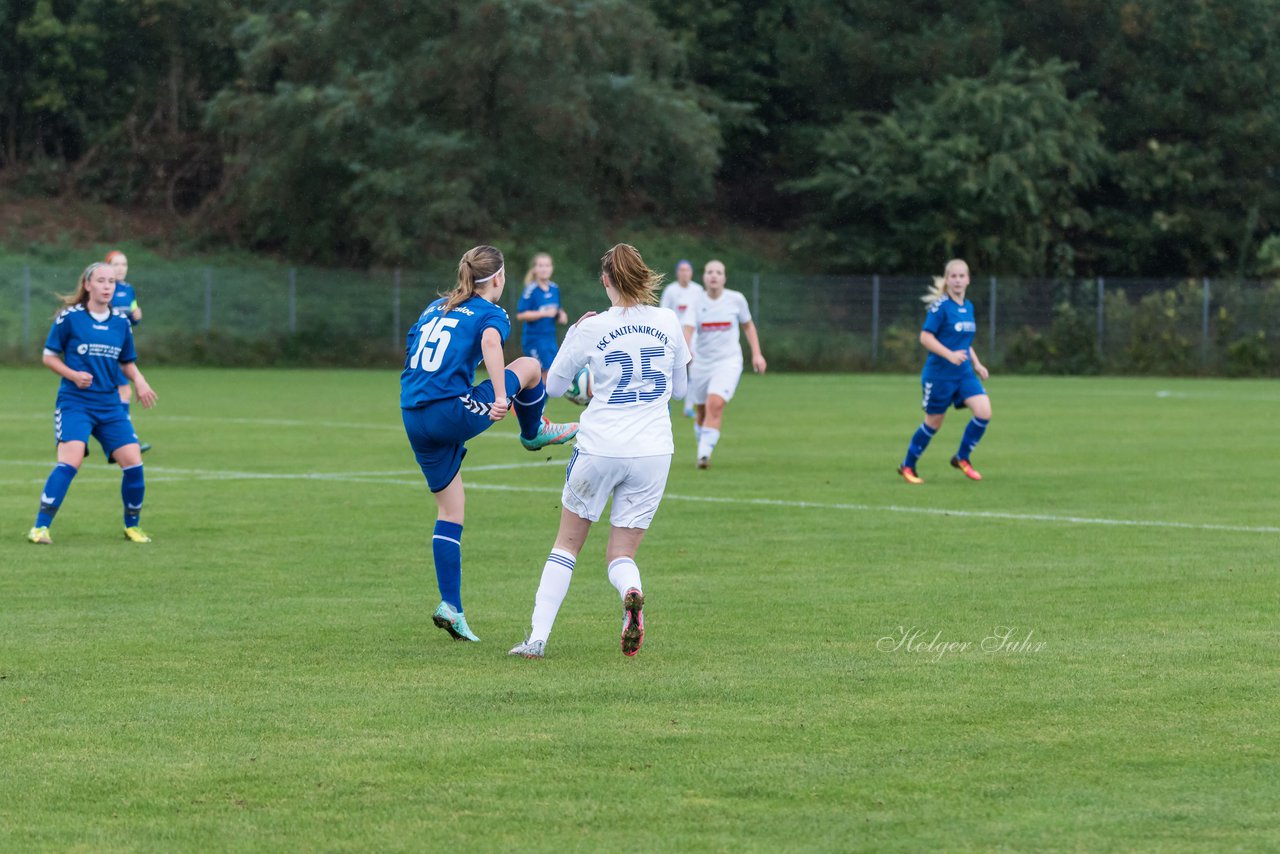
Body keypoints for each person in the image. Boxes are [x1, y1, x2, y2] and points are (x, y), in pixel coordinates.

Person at [509, 243, 691, 659]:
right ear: (644, 275)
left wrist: (574, 336)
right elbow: (680, 391)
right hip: (654, 452)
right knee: (621, 553)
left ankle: (537, 639)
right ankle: (631, 591)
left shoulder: (593, 327)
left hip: (601, 446)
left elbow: (553, 387)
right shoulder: (667, 319)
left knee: (566, 545)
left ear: (606, 280)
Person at [401, 245, 579, 643]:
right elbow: (491, 345)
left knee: (451, 509)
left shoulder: (435, 306)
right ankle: (533, 433)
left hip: (413, 413)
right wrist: (501, 395)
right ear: (497, 278)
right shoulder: (490, 313)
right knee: (531, 367)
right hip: (448, 410)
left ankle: (452, 607)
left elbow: (413, 350)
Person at [27, 262, 158, 545]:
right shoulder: (70, 318)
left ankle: (132, 526)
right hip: (75, 403)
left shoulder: (121, 322)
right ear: (88, 285)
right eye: (101, 280)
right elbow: (49, 357)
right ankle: (40, 528)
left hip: (110, 404)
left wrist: (140, 381)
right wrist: (73, 375)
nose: (108, 286)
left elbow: (126, 361)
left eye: (111, 281)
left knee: (134, 462)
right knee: (70, 461)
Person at [897, 258, 992, 484]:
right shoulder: (940, 307)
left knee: (984, 411)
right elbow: (925, 337)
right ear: (947, 280)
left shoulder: (968, 307)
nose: (958, 280)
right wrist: (949, 355)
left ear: (968, 280)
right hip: (939, 376)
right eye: (954, 276)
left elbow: (964, 341)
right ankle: (908, 466)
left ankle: (962, 458)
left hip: (964, 374)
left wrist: (976, 364)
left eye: (962, 276)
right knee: (934, 422)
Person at [686, 259, 766, 469]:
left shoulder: (736, 299)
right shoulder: (696, 301)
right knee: (701, 411)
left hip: (728, 361)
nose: (714, 275)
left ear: (724, 278)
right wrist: (686, 352)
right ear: (703, 277)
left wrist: (757, 354)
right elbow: (687, 329)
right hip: (701, 363)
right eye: (710, 272)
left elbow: (748, 326)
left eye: (718, 272)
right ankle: (703, 445)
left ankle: (703, 456)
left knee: (715, 404)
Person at [105, 250, 151, 455]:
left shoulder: (128, 289)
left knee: (112, 394)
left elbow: (132, 317)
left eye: (124, 264)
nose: (120, 268)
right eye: (116, 264)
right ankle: (126, 439)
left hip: (123, 349)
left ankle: (79, 433)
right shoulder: (105, 289)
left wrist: (136, 317)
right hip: (108, 349)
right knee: (123, 392)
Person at [659, 259, 703, 417]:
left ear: (691, 272)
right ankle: (663, 402)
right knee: (670, 369)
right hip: (674, 337)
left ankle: (689, 407)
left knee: (695, 371)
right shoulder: (671, 290)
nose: (684, 273)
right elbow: (664, 312)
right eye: (681, 270)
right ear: (678, 273)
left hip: (694, 337)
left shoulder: (698, 290)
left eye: (687, 270)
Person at [516, 252, 568, 381]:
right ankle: (529, 401)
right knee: (544, 375)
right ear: (534, 269)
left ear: (552, 268)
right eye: (540, 265)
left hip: (550, 339)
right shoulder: (531, 290)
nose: (544, 269)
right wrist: (544, 313)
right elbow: (521, 315)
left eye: (547, 265)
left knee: (551, 375)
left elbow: (556, 309)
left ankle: (530, 401)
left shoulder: (554, 288)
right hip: (534, 340)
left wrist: (561, 314)